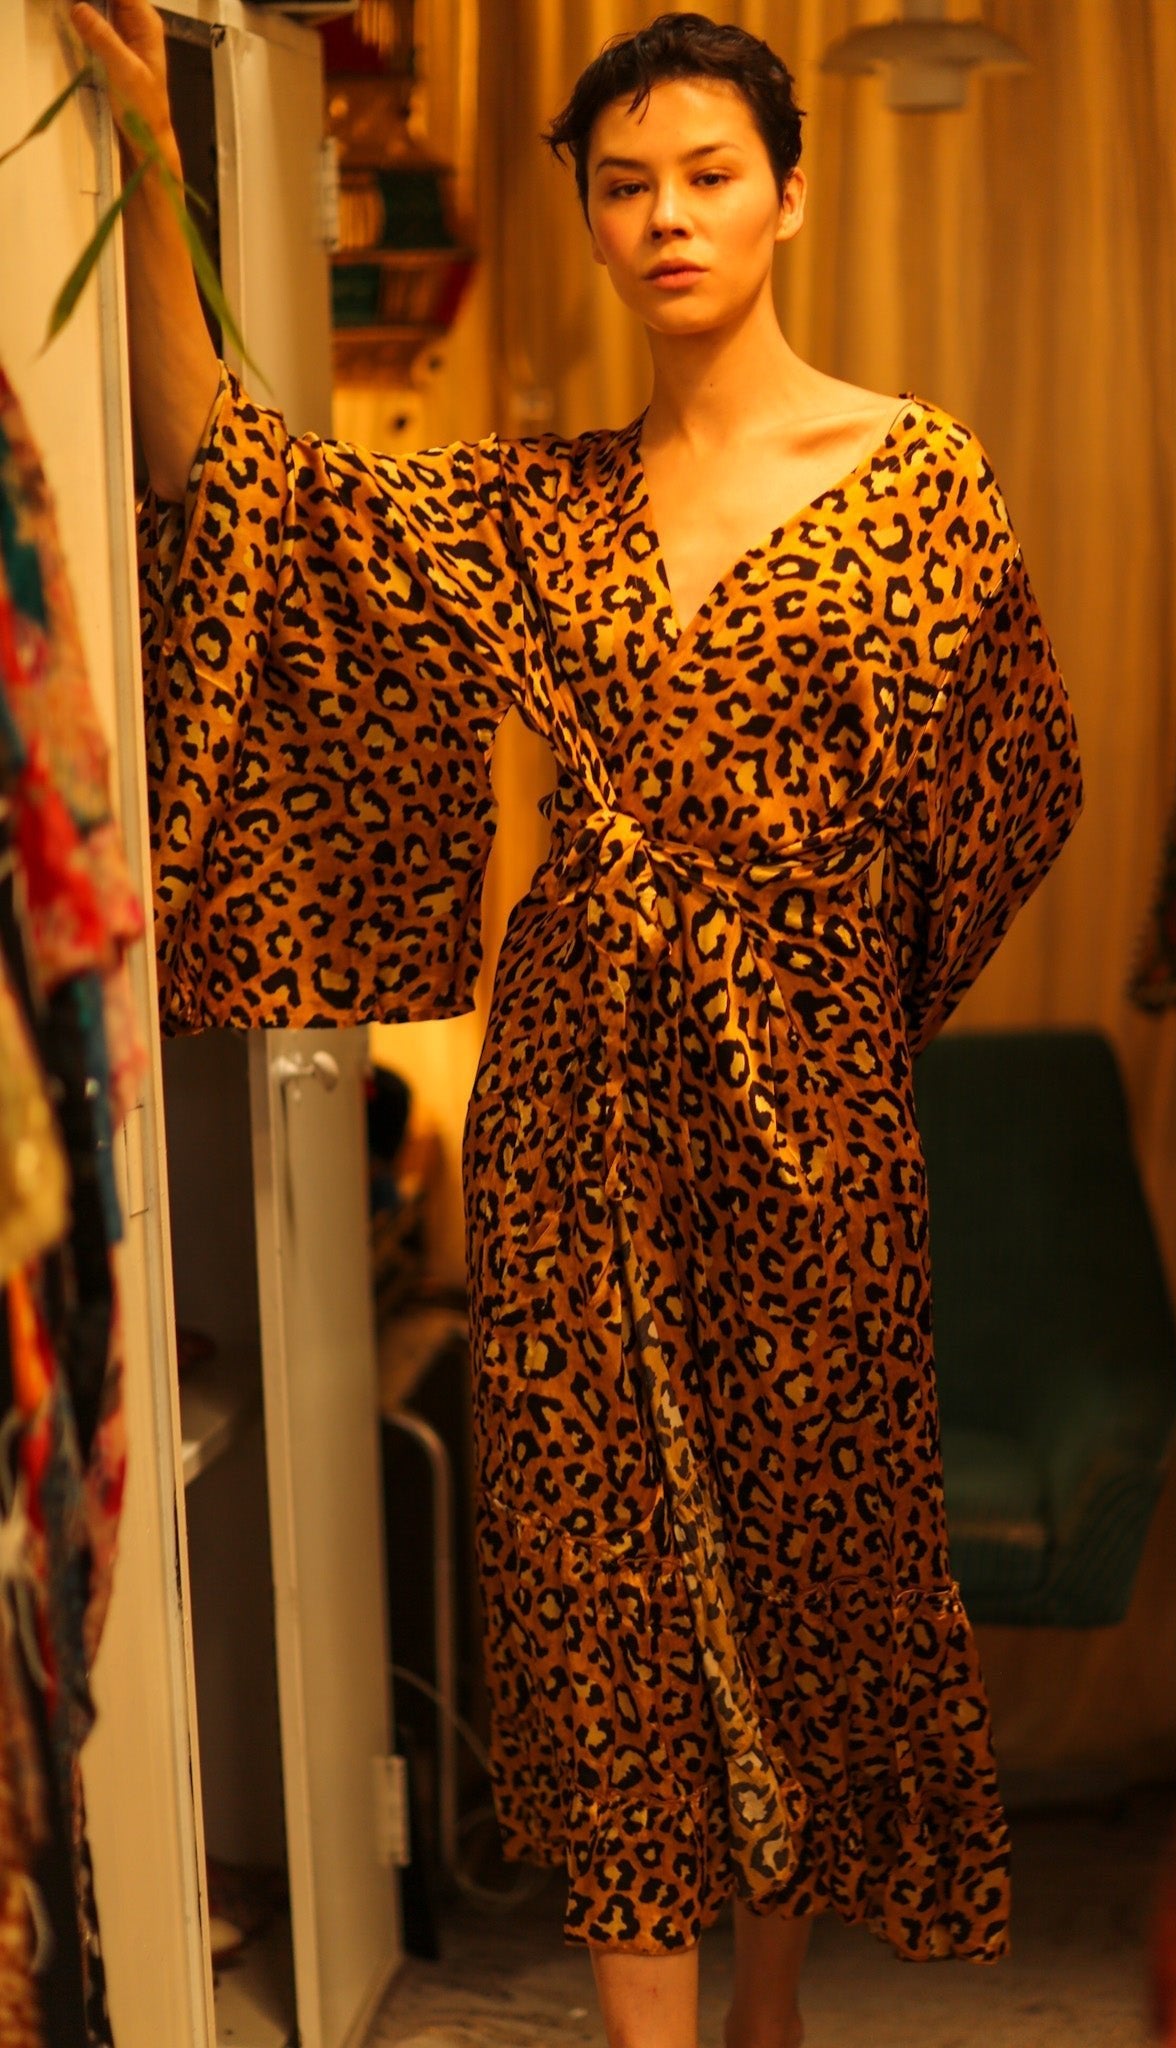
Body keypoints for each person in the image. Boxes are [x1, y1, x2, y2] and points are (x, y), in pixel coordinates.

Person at [73, 6, 1083, 2045]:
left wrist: (823, 1008)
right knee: (597, 1580)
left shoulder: (921, 479)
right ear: (591, 219)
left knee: (797, 1572)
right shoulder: (537, 509)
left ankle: (765, 2014)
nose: (666, 216)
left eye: (707, 174)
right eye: (625, 186)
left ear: (787, 194)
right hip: (568, 1100)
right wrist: (153, 165)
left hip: (812, 1114)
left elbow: (1010, 791)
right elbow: (247, 492)